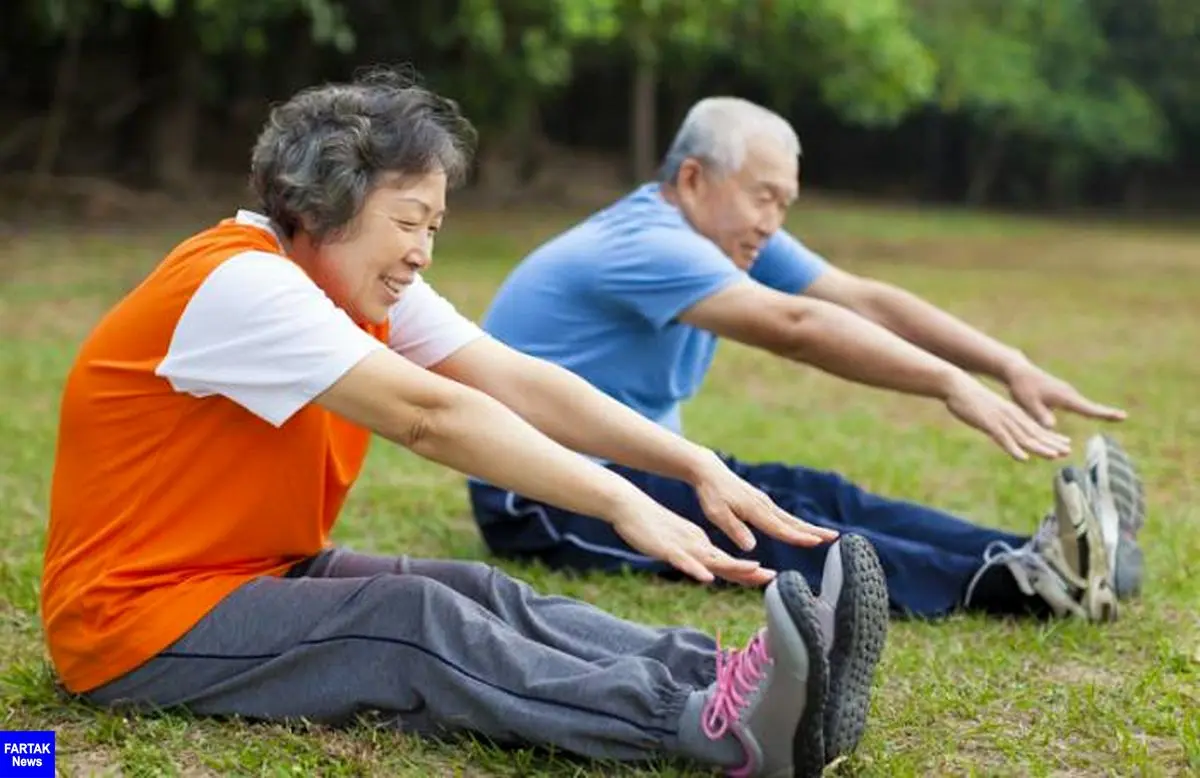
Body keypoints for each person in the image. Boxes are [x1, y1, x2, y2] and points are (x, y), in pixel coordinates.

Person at [39, 69, 893, 778]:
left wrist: (690, 462)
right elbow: (428, 414)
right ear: (325, 206)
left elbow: (515, 379)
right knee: (411, 621)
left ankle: (740, 679)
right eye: (407, 221)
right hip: (135, 626)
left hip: (247, 572)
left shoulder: (352, 285)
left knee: (477, 591)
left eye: (434, 226)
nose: (422, 250)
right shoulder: (241, 284)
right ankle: (712, 726)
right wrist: (619, 502)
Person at [469, 96, 1148, 623]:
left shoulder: (727, 235)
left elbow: (862, 299)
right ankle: (1017, 584)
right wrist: (946, 382)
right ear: (695, 178)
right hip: (542, 496)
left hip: (640, 462)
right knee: (779, 527)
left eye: (784, 204)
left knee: (819, 495)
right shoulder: (648, 243)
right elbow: (796, 325)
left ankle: (1046, 553)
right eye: (763, 196)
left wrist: (1006, 362)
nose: (772, 221)